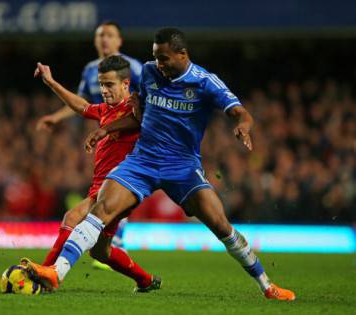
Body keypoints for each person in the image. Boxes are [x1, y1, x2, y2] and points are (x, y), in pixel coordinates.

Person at [25, 27, 296, 301]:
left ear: (182, 54)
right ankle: (56, 273)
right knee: (100, 209)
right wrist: (107, 129)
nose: (159, 64)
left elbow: (241, 112)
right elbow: (139, 116)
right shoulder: (150, 72)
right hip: (143, 161)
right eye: (156, 57)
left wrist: (243, 126)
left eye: (164, 58)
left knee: (221, 225)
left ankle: (267, 286)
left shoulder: (205, 82)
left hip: (182, 167)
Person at [31, 55, 161, 292]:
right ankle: (146, 280)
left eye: (109, 84)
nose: (104, 90)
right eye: (101, 84)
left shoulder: (136, 109)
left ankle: (45, 273)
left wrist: (130, 116)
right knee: (101, 252)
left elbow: (142, 124)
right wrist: (51, 83)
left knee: (72, 217)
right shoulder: (105, 110)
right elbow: (80, 106)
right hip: (99, 187)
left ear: (125, 84)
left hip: (120, 188)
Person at [36, 21, 142, 266]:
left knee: (117, 186)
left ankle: (112, 237)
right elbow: (81, 103)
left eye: (110, 35)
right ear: (95, 41)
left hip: (128, 137)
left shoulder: (134, 69)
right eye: (100, 35)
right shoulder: (90, 70)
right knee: (101, 189)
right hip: (103, 128)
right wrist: (56, 116)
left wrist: (112, 127)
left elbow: (143, 106)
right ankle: (113, 246)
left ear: (119, 41)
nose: (104, 39)